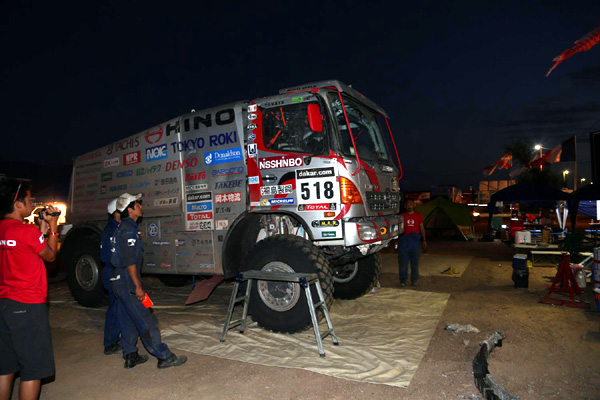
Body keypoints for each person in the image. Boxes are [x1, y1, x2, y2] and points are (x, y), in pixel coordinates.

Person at [110, 193, 187, 369]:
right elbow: (130, 262)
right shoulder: (128, 230)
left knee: (128, 319)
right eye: (137, 204)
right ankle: (164, 356)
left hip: (118, 281)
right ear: (130, 209)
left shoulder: (121, 228)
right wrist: (138, 287)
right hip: (128, 282)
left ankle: (130, 355)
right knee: (147, 318)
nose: (141, 206)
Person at [0, 179, 59, 400]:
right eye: (28, 199)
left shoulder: (6, 229)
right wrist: (53, 228)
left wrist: (41, 230)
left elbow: (27, 248)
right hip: (27, 306)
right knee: (32, 369)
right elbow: (51, 255)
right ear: (17, 204)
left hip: (3, 304)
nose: (31, 202)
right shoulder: (25, 231)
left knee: (5, 367)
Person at [100, 198, 122, 355]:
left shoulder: (115, 228)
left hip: (113, 271)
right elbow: (108, 256)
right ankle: (110, 343)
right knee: (115, 309)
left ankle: (115, 339)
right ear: (116, 213)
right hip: (113, 272)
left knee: (118, 308)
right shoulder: (113, 231)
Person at [398, 199, 427, 287]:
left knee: (415, 262)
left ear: (414, 205)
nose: (409, 206)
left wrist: (424, 240)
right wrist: (396, 241)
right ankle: (403, 280)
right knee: (403, 262)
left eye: (411, 204)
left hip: (415, 240)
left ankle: (414, 280)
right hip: (404, 240)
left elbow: (421, 227)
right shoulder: (401, 216)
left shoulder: (418, 215)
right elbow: (398, 229)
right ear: (405, 206)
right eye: (407, 204)